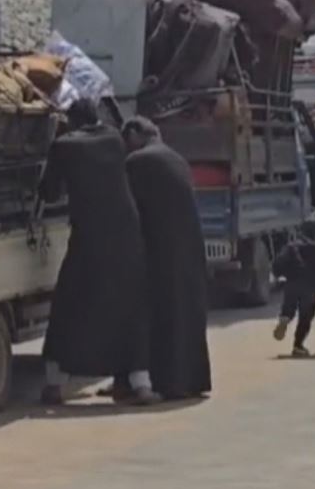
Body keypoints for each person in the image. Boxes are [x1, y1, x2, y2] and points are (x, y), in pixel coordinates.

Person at [39, 99, 158, 406]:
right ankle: (141, 384)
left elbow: (48, 192)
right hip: (127, 235)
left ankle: (54, 384)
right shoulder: (114, 138)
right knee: (131, 307)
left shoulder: (63, 146)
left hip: (89, 236)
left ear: (71, 122)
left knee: (70, 306)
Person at [121, 116, 213, 401]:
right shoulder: (177, 159)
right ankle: (191, 380)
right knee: (186, 315)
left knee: (161, 317)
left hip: (161, 251)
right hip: (189, 249)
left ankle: (165, 382)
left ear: (136, 134)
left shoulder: (137, 163)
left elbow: (127, 210)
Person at [271, 219, 315, 357]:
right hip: (310, 288)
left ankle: (285, 317)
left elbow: (278, 264)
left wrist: (279, 274)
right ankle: (298, 346)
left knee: (289, 307)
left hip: (291, 284)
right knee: (305, 317)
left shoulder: (291, 247)